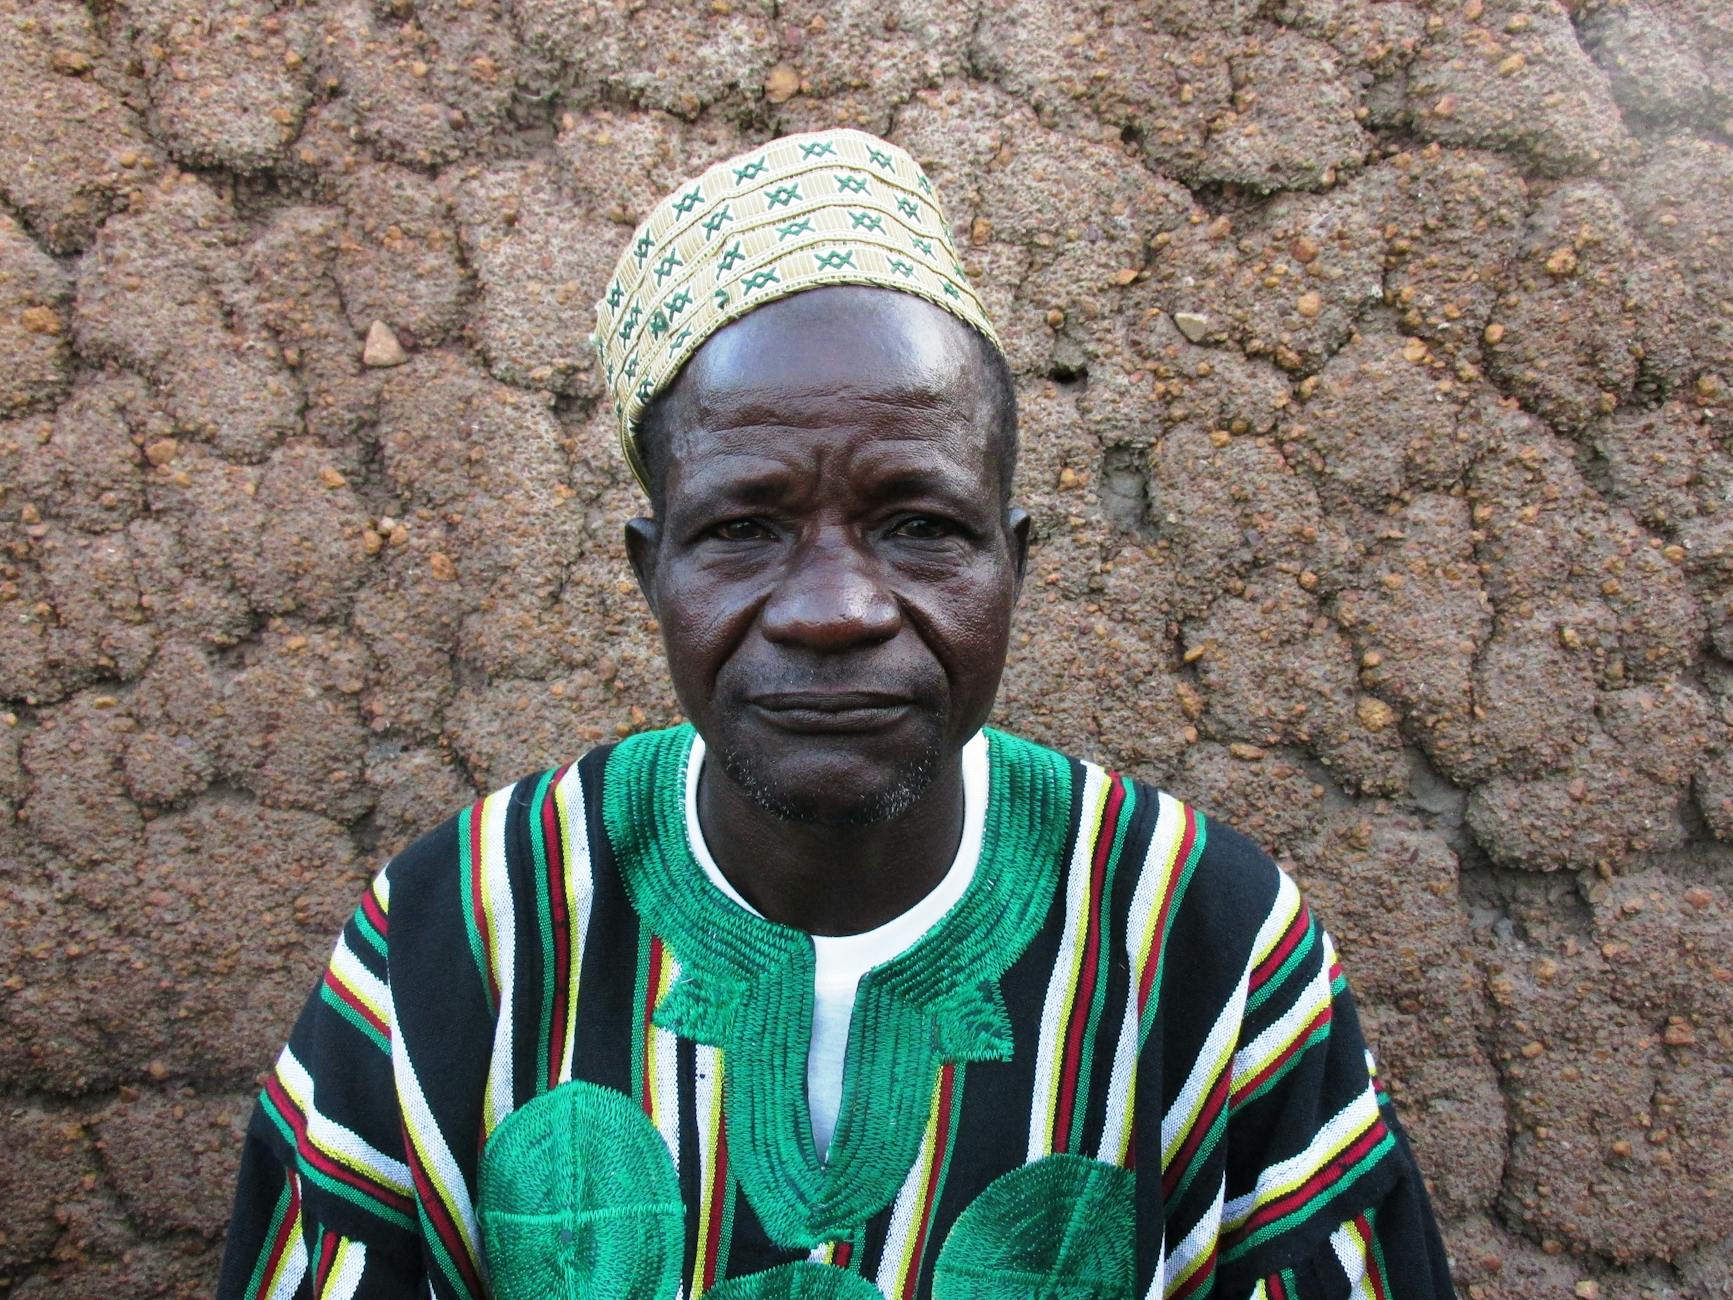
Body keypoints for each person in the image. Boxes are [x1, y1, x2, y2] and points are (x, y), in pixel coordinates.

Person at [219, 129, 1454, 1300]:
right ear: (650, 571)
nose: (832, 610)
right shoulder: (457, 934)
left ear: (1009, 565)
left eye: (919, 526)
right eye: (742, 529)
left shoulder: (1202, 938)